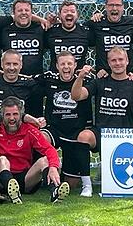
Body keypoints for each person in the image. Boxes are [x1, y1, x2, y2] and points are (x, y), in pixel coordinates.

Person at [0, 97, 70, 204]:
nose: (12, 118)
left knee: (45, 160)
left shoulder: (29, 130)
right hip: (3, 178)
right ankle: (12, 191)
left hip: (26, 178)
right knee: (2, 159)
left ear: (21, 115)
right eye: (8, 115)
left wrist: (53, 167)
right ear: (2, 116)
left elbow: (49, 149)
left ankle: (55, 191)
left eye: (15, 114)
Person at [36, 51, 93, 196]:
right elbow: (27, 82)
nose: (66, 67)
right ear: (57, 66)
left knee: (71, 184)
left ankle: (61, 172)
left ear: (75, 66)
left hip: (74, 132)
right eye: (62, 64)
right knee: (40, 137)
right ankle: (37, 175)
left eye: (69, 64)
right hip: (54, 129)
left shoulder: (86, 81)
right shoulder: (48, 79)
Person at [88, 0, 133, 75]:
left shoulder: (132, 22)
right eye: (111, 5)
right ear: (106, 7)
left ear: (123, 7)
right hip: (104, 75)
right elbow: (78, 31)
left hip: (128, 75)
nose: (114, 8)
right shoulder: (97, 23)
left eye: (118, 5)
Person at [0, 0, 47, 76]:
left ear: (32, 13)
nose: (24, 13)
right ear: (13, 13)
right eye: (20, 10)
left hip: (36, 81)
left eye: (27, 10)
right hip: (12, 81)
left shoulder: (41, 29)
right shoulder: (4, 31)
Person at [45, 0, 91, 71]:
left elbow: (99, 48)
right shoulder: (51, 31)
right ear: (59, 15)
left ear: (77, 15)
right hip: (56, 78)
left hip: (79, 77)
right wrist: (44, 21)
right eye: (65, 11)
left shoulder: (86, 31)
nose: (69, 13)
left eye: (72, 11)